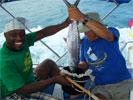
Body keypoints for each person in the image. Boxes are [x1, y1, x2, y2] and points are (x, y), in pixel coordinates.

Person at [68, 6, 133, 100]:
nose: (85, 34)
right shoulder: (84, 42)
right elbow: (84, 63)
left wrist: (82, 17)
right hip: (101, 87)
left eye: (87, 31)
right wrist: (76, 68)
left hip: (123, 83)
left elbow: (107, 35)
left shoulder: (111, 32)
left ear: (95, 28)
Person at [0, 17, 71, 100]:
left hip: (28, 81)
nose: (19, 38)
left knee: (48, 63)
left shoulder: (24, 40)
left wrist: (65, 24)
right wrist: (54, 80)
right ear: (5, 35)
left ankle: (70, 91)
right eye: (13, 35)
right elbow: (22, 90)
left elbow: (43, 33)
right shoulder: (4, 61)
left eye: (22, 34)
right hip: (15, 94)